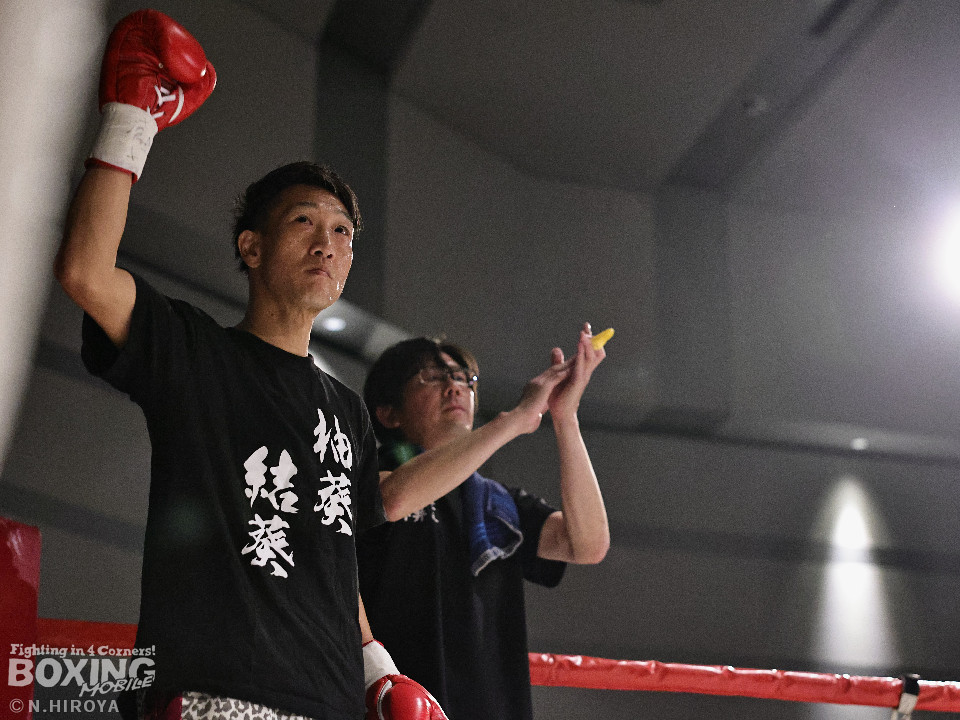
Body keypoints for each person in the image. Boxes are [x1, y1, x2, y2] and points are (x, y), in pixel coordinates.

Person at [56, 9, 449, 720]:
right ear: (251, 248)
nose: (327, 243)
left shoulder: (347, 410)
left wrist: (379, 671)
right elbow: (86, 271)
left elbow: (331, 553)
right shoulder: (197, 353)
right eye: (304, 222)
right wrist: (131, 119)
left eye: (342, 232)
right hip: (215, 691)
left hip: (330, 702)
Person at [357, 329, 611, 720]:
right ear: (389, 413)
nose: (454, 387)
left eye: (463, 378)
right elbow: (392, 500)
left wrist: (566, 417)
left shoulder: (496, 503)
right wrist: (516, 418)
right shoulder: (364, 475)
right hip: (397, 706)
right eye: (432, 376)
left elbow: (587, 544)